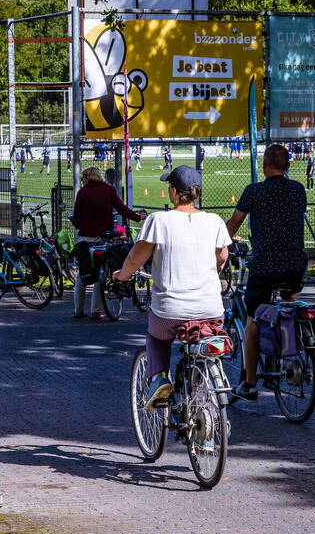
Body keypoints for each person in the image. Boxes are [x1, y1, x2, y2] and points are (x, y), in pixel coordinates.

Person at [113, 165, 231, 409]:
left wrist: (121, 276)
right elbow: (222, 257)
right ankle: (205, 409)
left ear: (175, 192)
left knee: (156, 337)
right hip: (211, 308)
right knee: (207, 346)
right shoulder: (215, 221)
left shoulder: (159, 220)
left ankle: (158, 379)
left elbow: (136, 258)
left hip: (170, 310)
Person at [224, 144, 307, 402]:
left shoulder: (255, 191)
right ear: (288, 166)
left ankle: (249, 384)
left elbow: (234, 222)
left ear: (264, 165)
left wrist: (219, 242)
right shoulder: (297, 190)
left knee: (252, 321)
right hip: (295, 264)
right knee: (289, 299)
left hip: (265, 265)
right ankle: (294, 343)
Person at [70, 166, 145, 320]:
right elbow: (122, 209)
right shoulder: (108, 190)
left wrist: (79, 226)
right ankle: (95, 310)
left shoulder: (82, 193)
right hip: (104, 237)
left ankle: (78, 309)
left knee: (82, 273)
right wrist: (138, 217)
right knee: (101, 273)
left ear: (86, 178)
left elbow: (76, 216)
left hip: (86, 237)